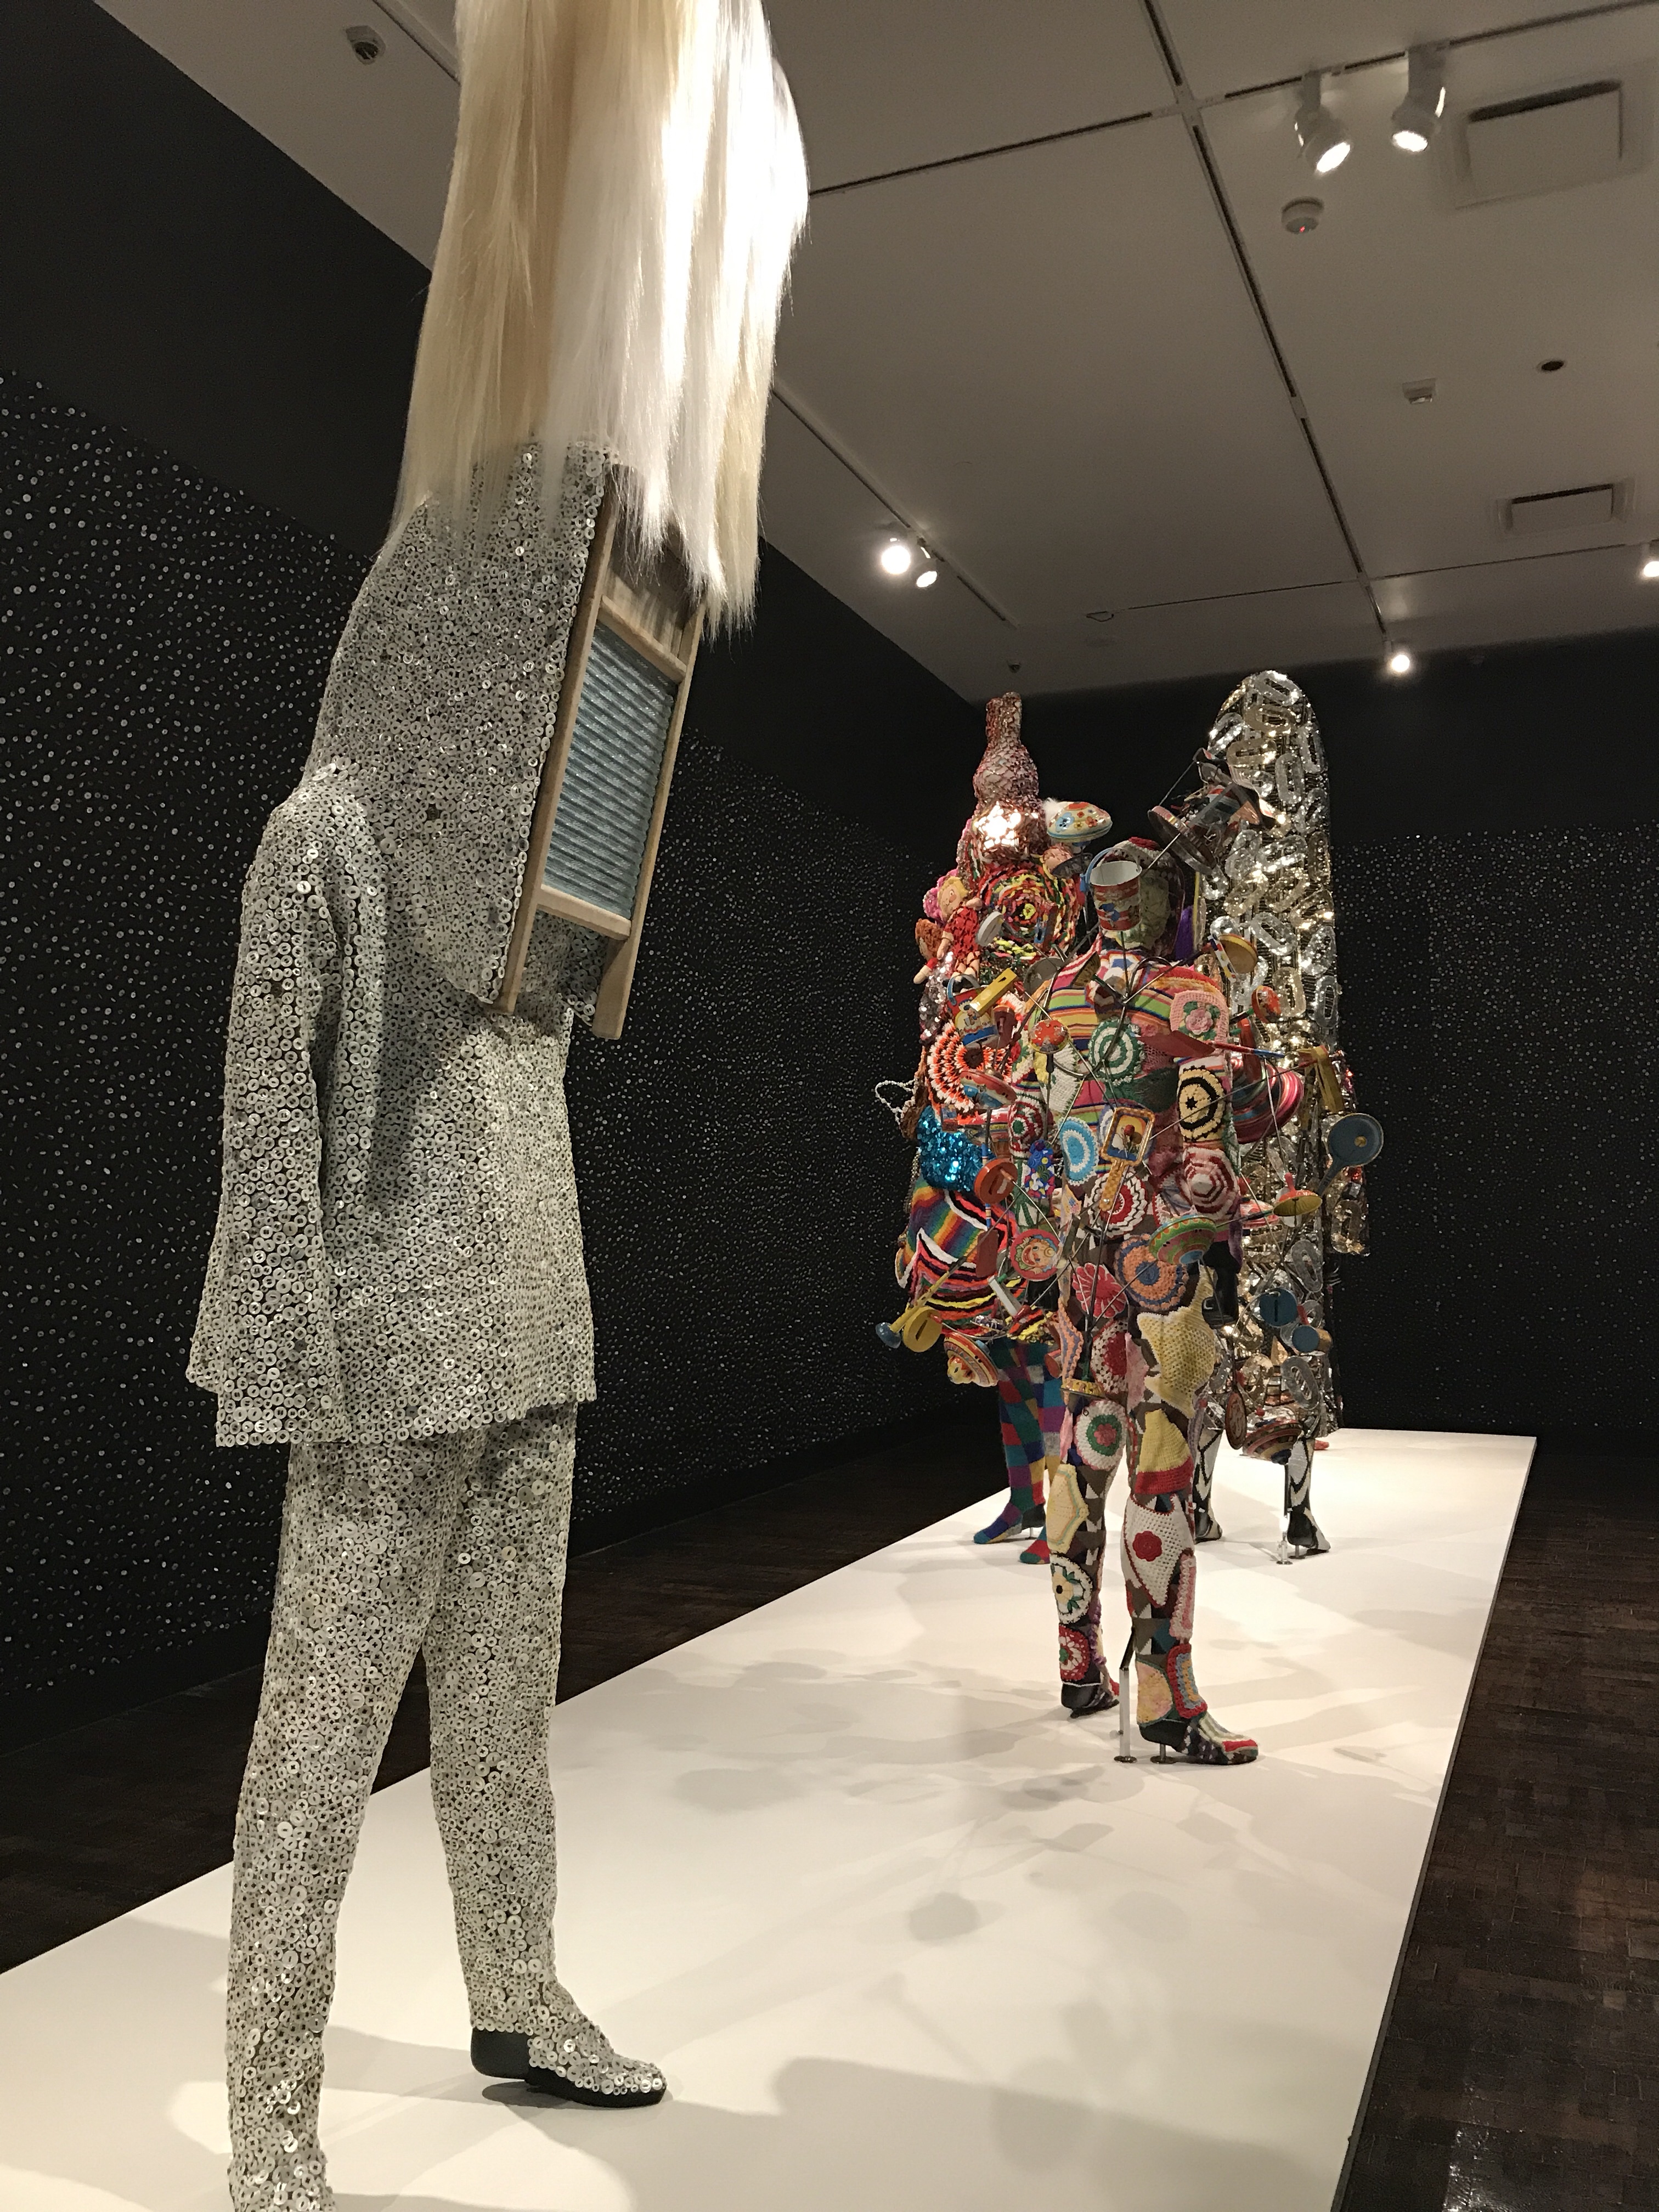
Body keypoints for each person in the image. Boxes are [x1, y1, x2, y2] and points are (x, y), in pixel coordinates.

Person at [188, 6, 805, 2205]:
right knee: (320, 1722)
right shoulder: (331, 835)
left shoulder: (496, 830)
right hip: (390, 1342)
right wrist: (286, 1347)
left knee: (507, 1697)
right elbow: (263, 1121)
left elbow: (544, 1001)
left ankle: (517, 1990)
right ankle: (270, 2114)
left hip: (531, 1314)